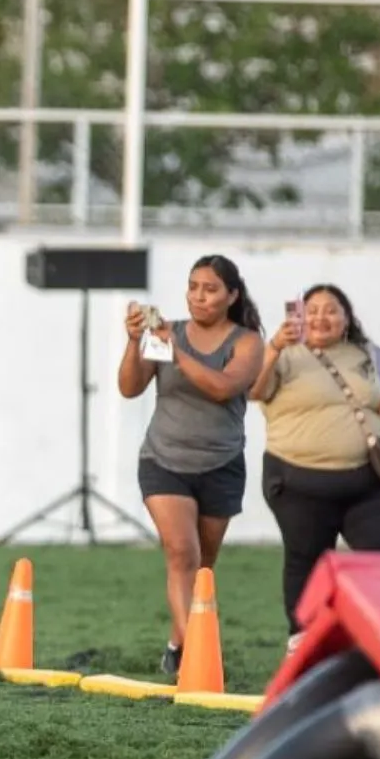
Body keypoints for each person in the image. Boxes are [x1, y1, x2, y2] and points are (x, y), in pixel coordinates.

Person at [118, 255, 263, 676]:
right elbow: (129, 387)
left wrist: (175, 351)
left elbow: (222, 388)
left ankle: (177, 643)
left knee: (201, 568)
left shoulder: (247, 342)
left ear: (231, 295)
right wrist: (134, 342)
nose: (200, 296)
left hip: (221, 463)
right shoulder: (168, 332)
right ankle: (198, 655)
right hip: (164, 459)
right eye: (193, 286)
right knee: (181, 553)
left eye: (211, 288)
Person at [249, 285, 380, 652]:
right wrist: (274, 346)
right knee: (306, 555)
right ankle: (302, 636)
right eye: (313, 310)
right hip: (298, 479)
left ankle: (369, 632)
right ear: (300, 316)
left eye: (331, 310)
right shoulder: (285, 354)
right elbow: (255, 389)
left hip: (368, 478)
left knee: (379, 550)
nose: (321, 318)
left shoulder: (368, 353)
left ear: (346, 317)